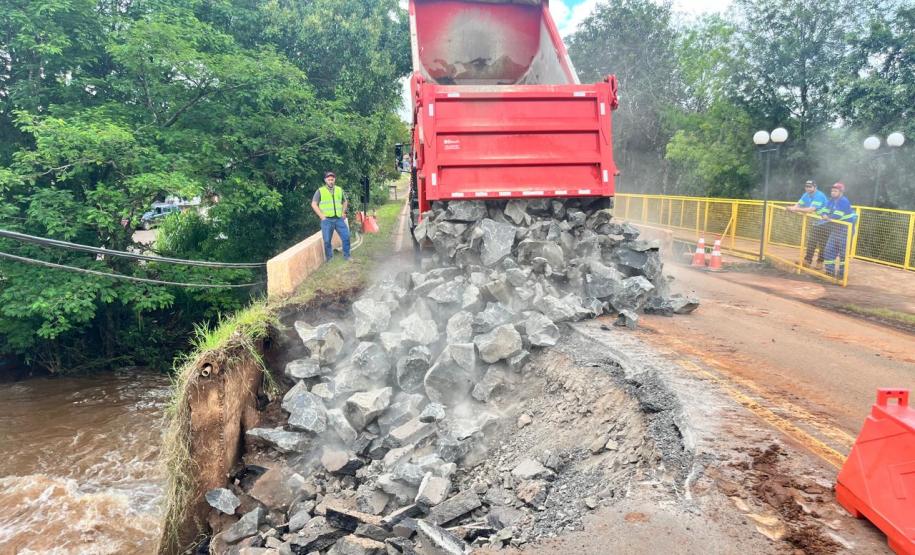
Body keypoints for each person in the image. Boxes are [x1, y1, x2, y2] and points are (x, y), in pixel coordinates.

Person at [820, 182, 858, 280]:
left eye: (835, 191)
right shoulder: (831, 200)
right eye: (832, 191)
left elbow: (838, 215)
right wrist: (824, 214)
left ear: (841, 192)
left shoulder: (844, 201)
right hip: (836, 229)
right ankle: (829, 272)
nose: (832, 193)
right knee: (829, 249)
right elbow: (824, 209)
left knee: (843, 253)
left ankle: (841, 275)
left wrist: (827, 217)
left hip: (846, 230)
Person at [311, 171, 351, 262]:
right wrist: (322, 216)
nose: (331, 181)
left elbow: (345, 201)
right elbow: (313, 204)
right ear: (325, 180)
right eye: (329, 180)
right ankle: (330, 259)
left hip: (338, 219)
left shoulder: (339, 189)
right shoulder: (320, 191)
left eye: (332, 179)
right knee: (327, 241)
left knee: (346, 236)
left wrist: (343, 212)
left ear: (334, 180)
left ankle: (347, 256)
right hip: (327, 220)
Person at [788, 180, 829, 268]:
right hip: (815, 222)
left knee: (823, 244)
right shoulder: (805, 195)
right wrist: (792, 208)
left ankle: (820, 262)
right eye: (807, 186)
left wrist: (795, 209)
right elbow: (798, 205)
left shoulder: (819, 196)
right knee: (811, 242)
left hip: (825, 222)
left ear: (815, 187)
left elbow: (811, 209)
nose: (808, 188)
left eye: (810, 186)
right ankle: (807, 261)